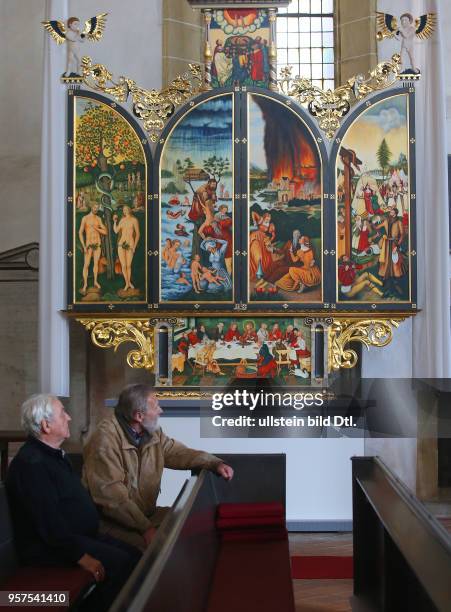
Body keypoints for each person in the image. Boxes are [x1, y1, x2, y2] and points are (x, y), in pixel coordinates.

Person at [6, 394, 140, 612]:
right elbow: (48, 524)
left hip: (76, 538)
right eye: (62, 413)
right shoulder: (32, 464)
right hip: (49, 550)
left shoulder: (53, 455)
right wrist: (81, 556)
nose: (68, 417)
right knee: (121, 565)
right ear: (46, 425)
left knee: (136, 557)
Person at [83, 385, 233, 550]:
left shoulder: (151, 432)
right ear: (139, 416)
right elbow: (112, 498)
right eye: (155, 406)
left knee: (189, 523)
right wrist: (146, 529)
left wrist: (214, 463)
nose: (160, 410)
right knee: (155, 551)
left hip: (145, 515)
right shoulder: (104, 440)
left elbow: (176, 452)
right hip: (113, 523)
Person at [78, 203, 108, 295]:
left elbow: (105, 231)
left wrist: (96, 228)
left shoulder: (98, 219)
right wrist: (83, 246)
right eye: (95, 207)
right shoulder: (85, 218)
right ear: (92, 207)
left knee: (95, 264)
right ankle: (85, 284)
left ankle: (95, 281)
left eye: (98, 208)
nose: (96, 209)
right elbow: (80, 233)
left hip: (97, 244)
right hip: (88, 245)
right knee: (86, 264)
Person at [113, 206, 140, 291]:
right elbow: (116, 231)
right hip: (121, 244)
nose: (125, 211)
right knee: (123, 266)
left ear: (130, 210)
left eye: (126, 209)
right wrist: (114, 222)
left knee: (128, 265)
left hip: (130, 244)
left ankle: (128, 283)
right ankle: (127, 283)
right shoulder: (122, 220)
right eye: (123, 210)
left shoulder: (134, 220)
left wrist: (134, 246)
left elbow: (138, 234)